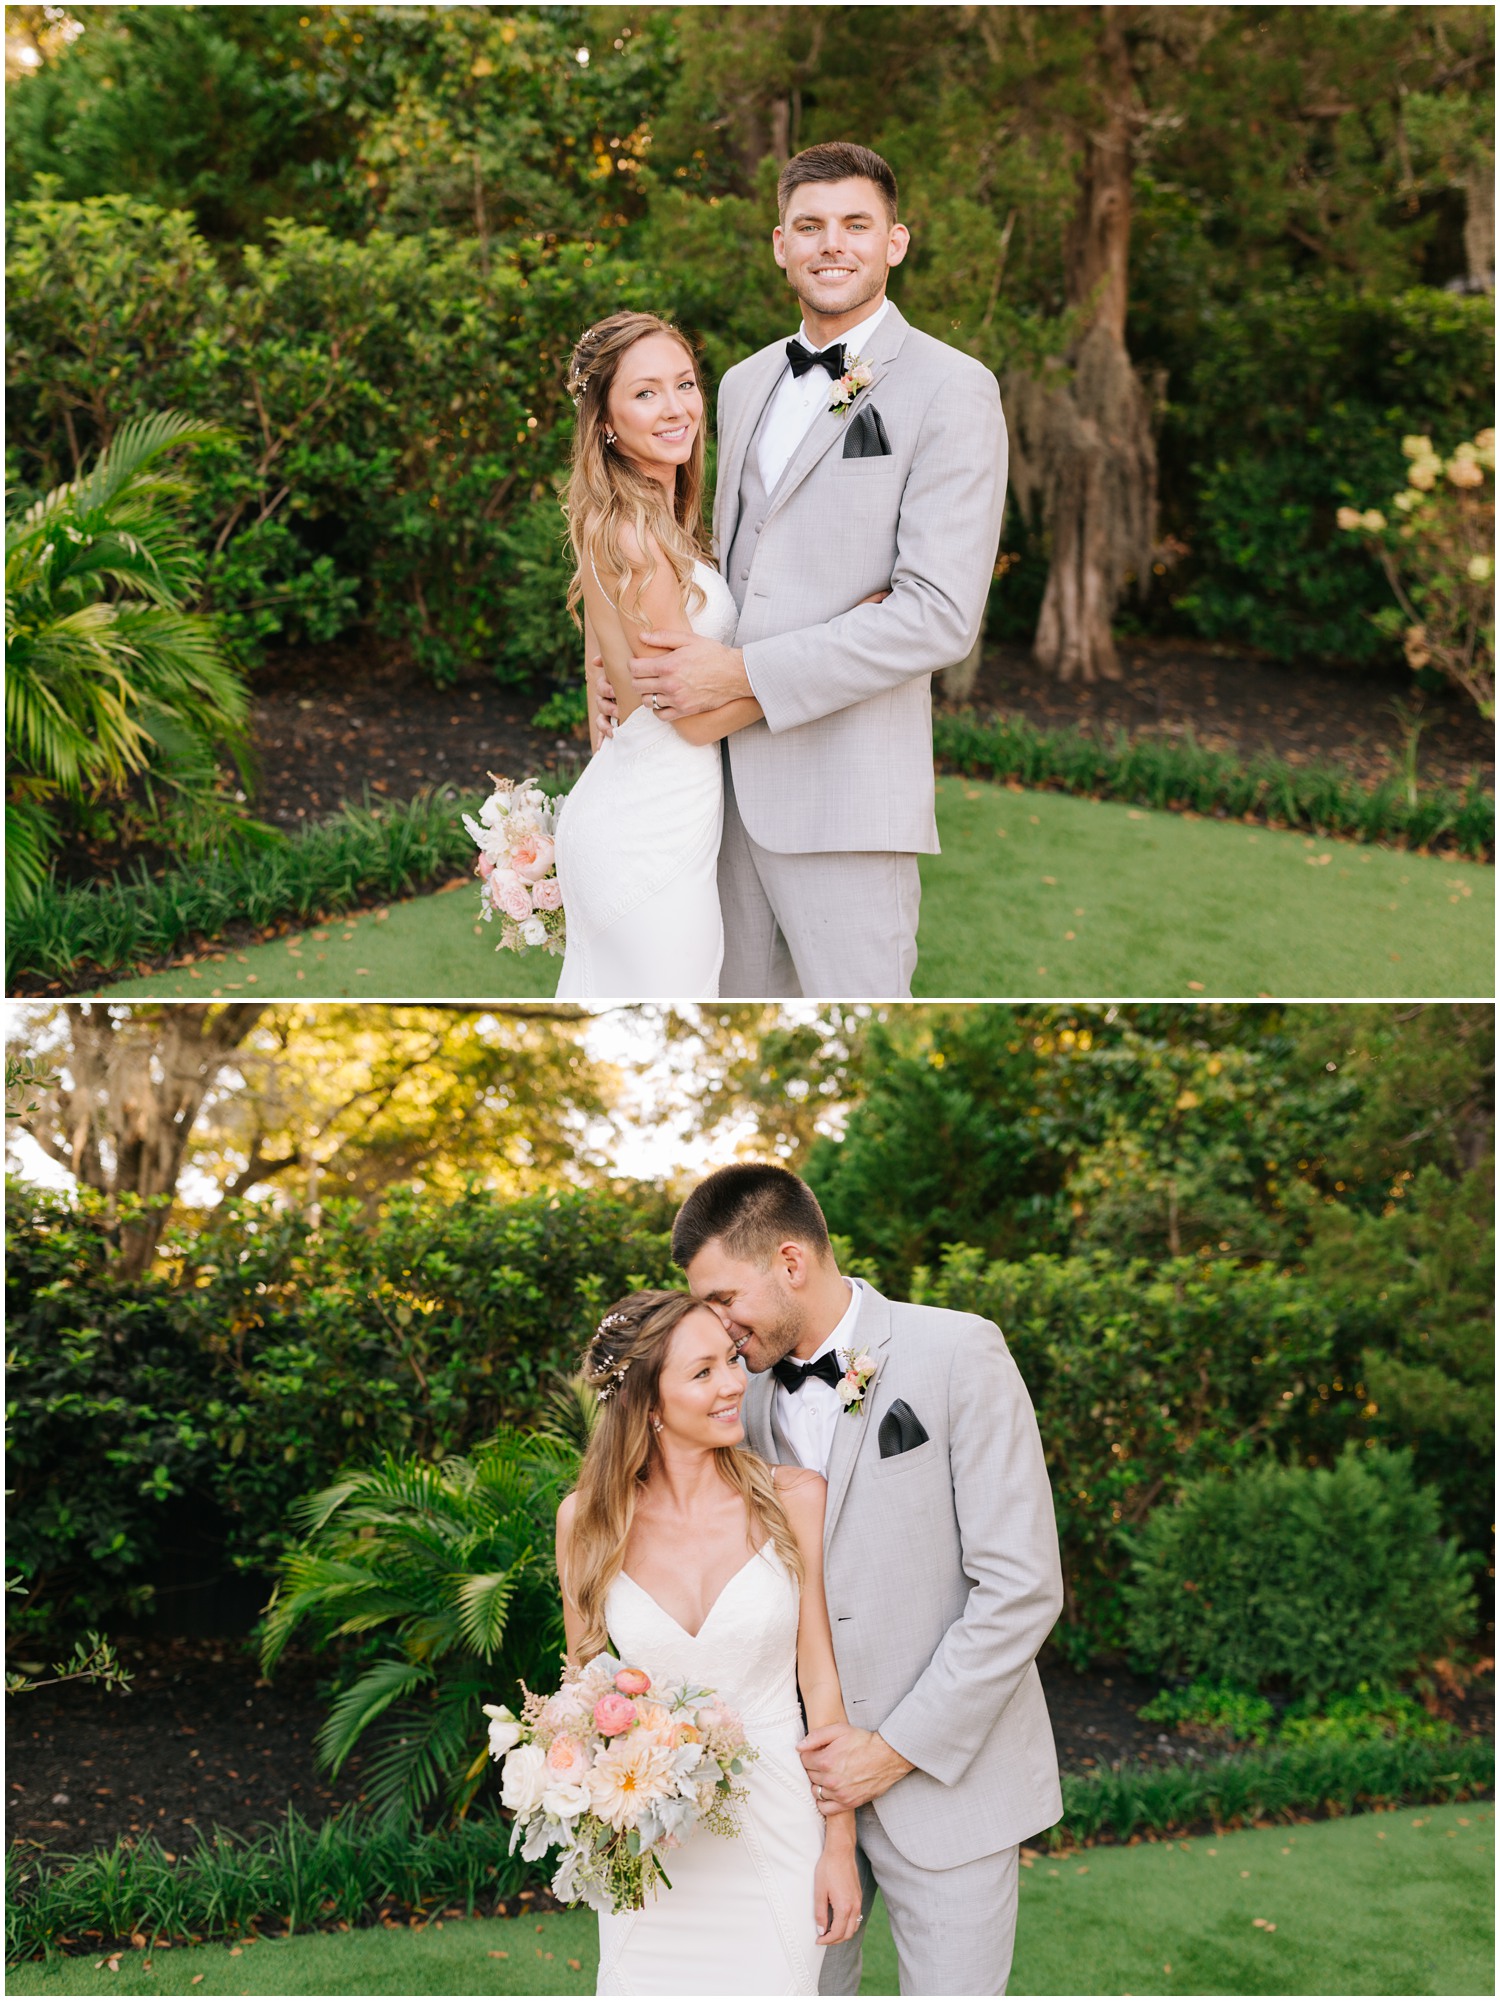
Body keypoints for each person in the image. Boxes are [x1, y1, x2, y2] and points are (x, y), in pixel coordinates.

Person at [608, 141, 1008, 999]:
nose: (834, 244)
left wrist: (740, 670)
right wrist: (627, 671)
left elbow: (938, 613)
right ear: (779, 244)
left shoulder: (952, 387)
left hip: (847, 798)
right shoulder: (744, 383)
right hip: (711, 801)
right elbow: (716, 566)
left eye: (856, 225)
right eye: (811, 226)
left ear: (894, 242)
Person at [671, 1163, 1063, 1997]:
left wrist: (890, 1752)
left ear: (789, 1261)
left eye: (724, 1297)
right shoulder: (734, 1402)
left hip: (952, 1781)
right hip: (795, 1798)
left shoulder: (959, 1351)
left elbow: (1022, 1587)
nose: (718, 1326)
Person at [555, 1289, 864, 1993]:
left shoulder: (794, 1497)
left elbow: (821, 1682)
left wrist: (839, 1846)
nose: (734, 1382)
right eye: (703, 1372)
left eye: (730, 1358)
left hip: (776, 1831)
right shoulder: (587, 1522)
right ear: (649, 1405)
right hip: (653, 1845)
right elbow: (583, 1688)